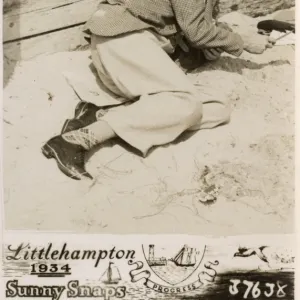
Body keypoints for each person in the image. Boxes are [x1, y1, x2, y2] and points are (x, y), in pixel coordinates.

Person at [41, 0, 275, 180]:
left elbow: (192, 25)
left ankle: (98, 116)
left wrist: (212, 45)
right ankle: (75, 140)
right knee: (186, 105)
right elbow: (197, 31)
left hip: (132, 45)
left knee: (218, 108)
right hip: (121, 40)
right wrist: (240, 42)